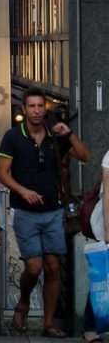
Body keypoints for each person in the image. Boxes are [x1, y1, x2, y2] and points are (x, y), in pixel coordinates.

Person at [0, 87, 89, 338]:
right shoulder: (13, 137)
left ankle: (48, 324)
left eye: (40, 106)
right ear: (23, 109)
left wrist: (69, 134)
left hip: (53, 211)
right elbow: (2, 173)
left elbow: (85, 156)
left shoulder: (55, 135)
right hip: (25, 211)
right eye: (32, 106)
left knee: (52, 268)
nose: (37, 111)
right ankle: (24, 302)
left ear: (44, 109)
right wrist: (23, 190)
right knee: (34, 267)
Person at [83, 145, 109, 343]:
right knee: (102, 277)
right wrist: (108, 231)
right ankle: (90, 327)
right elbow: (107, 195)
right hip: (107, 223)